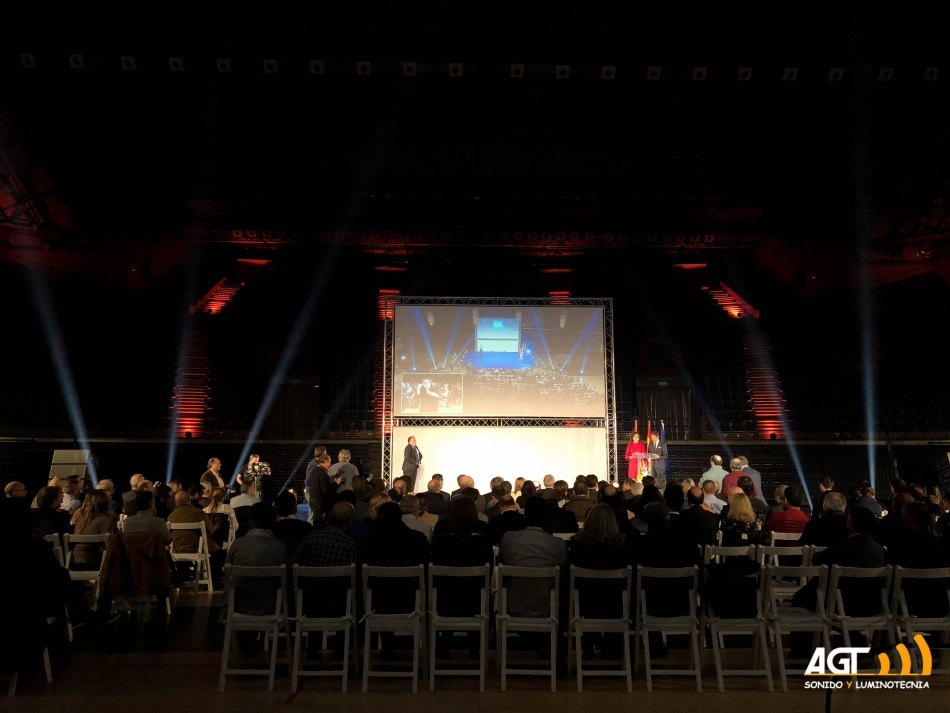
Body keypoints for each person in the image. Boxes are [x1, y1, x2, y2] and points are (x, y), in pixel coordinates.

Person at [307, 454, 341, 521]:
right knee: (318, 519)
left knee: (315, 518)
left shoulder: (314, 471)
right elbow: (325, 490)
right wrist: (336, 483)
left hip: (313, 499)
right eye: (329, 462)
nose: (330, 464)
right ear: (325, 461)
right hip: (319, 502)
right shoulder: (322, 473)